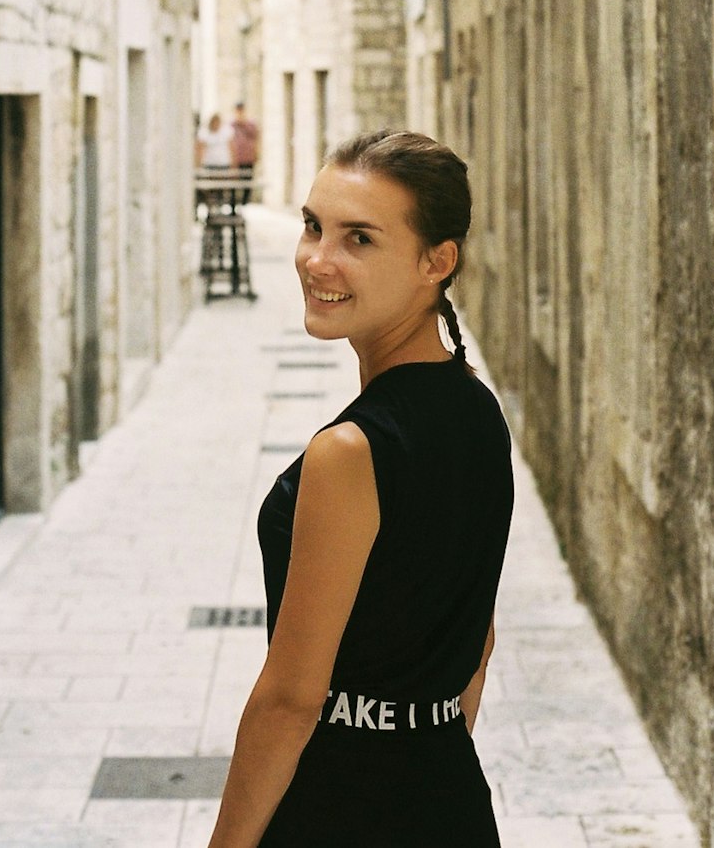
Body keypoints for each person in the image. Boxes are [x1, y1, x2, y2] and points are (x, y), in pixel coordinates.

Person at [209, 129, 514, 848]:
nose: (318, 259)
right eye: (314, 226)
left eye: (360, 239)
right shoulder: (478, 411)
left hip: (339, 807)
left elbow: (290, 701)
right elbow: (478, 644)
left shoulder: (350, 453)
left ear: (437, 262)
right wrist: (419, 752)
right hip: (450, 798)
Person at [230, 101, 260, 203]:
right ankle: (234, 204)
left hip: (248, 158)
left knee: (247, 182)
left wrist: (256, 153)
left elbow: (256, 139)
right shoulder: (231, 125)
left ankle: (244, 202)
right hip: (235, 159)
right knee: (233, 183)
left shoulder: (250, 124)